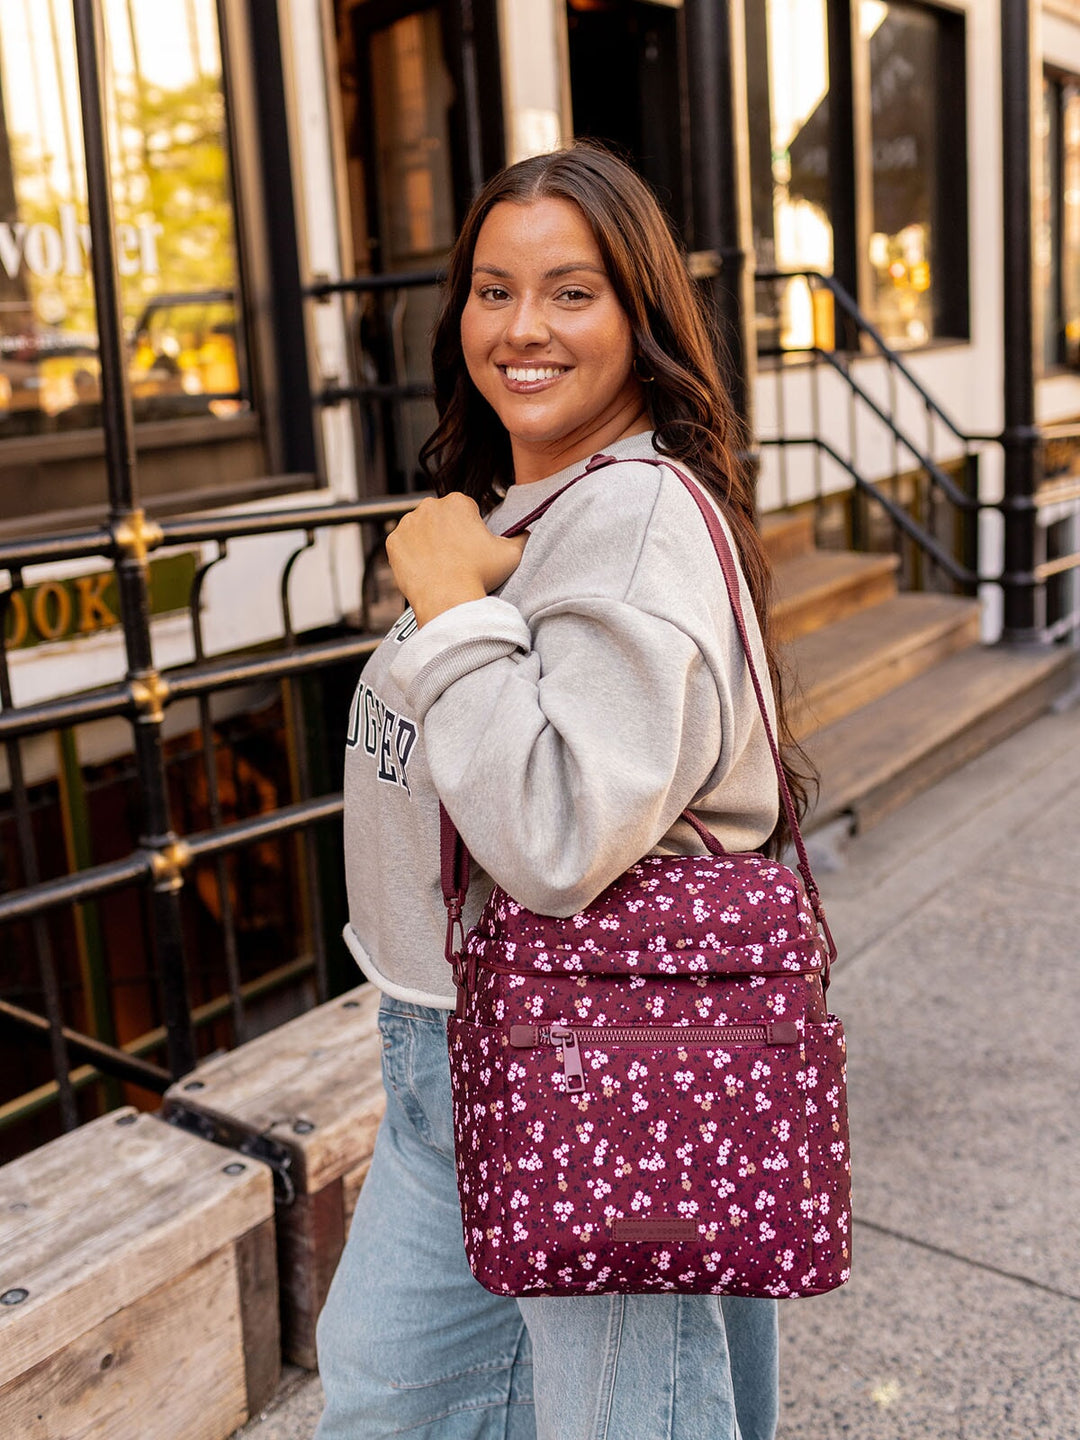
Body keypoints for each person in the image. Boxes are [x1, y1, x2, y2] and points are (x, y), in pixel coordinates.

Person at [316, 142, 808, 1440]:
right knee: (387, 1395)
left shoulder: (632, 514)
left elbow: (555, 829)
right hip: (460, 1049)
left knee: (620, 1417)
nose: (521, 326)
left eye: (571, 291)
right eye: (492, 288)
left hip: (587, 1052)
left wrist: (445, 604)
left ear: (642, 320)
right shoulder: (538, 505)